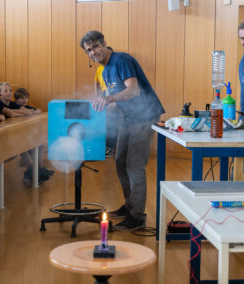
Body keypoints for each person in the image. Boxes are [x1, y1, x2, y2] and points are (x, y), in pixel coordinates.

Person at [80, 30, 165, 230]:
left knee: (134, 165)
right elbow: (116, 101)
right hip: (129, 118)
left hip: (145, 116)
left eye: (95, 47)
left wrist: (108, 99)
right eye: (88, 50)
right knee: (120, 163)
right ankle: (129, 206)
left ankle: (137, 216)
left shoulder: (121, 60)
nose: (93, 52)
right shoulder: (105, 69)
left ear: (104, 43)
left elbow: (133, 90)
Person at [13, 87, 54, 186]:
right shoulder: (14, 107)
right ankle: (29, 175)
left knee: (40, 146)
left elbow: (38, 110)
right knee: (29, 158)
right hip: (17, 138)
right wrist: (28, 112)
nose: (24, 100)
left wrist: (32, 111)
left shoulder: (28, 107)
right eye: (21, 98)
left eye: (26, 98)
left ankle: (39, 171)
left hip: (27, 137)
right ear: (16, 99)